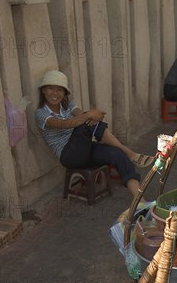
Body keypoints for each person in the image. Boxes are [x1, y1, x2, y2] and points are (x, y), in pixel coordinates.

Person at [35, 70, 153, 198]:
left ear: (64, 93)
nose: (55, 93)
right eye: (51, 88)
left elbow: (82, 115)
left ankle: (140, 202)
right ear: (43, 90)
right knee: (86, 122)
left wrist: (90, 115)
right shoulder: (41, 113)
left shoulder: (68, 105)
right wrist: (89, 115)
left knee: (118, 154)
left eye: (59, 90)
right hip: (69, 155)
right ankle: (130, 153)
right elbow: (65, 124)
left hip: (84, 149)